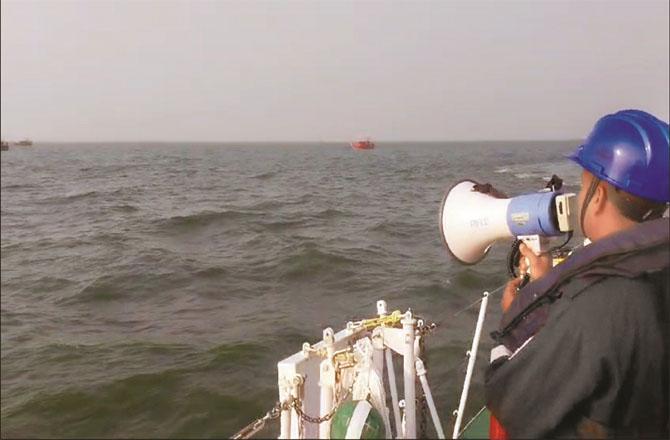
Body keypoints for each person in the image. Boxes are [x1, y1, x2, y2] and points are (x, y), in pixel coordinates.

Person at [485, 109, 669, 438]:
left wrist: (519, 313)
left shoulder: (603, 302)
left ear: (597, 197)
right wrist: (544, 287)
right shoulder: (656, 271)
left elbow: (511, 400)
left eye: (583, 186)